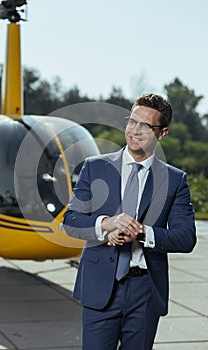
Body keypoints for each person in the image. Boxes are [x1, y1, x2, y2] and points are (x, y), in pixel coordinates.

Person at [63, 93, 196, 350]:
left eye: (145, 126)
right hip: (100, 286)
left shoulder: (175, 180)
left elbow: (186, 237)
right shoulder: (94, 167)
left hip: (146, 290)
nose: (135, 131)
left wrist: (141, 232)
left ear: (162, 133)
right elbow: (71, 220)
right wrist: (106, 224)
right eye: (132, 122)